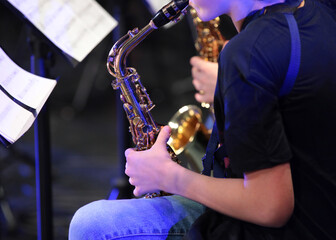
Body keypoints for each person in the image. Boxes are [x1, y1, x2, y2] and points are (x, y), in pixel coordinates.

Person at [69, 0, 336, 239]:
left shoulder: (247, 54)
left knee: (91, 224)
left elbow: (270, 206)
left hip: (288, 227)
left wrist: (167, 176)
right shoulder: (320, 9)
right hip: (322, 205)